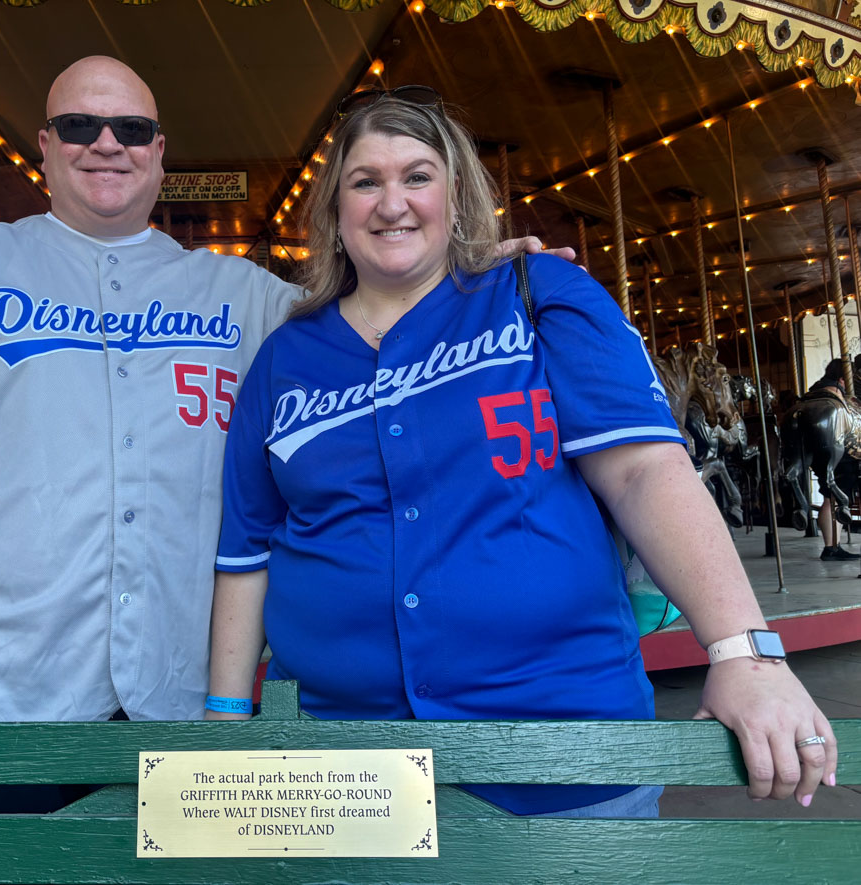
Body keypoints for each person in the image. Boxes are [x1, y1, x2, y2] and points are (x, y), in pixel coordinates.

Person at [0, 58, 559, 811]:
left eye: (133, 127)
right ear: (45, 147)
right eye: (82, 124)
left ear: (160, 152)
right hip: (2, 699)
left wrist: (479, 277)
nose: (109, 143)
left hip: (187, 702)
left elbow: (385, 324)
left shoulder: (244, 297)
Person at [207, 86, 836, 815]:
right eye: (365, 181)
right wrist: (225, 721)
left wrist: (743, 654)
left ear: (455, 193)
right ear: (335, 211)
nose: (392, 202)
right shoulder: (285, 359)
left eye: (417, 176)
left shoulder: (537, 296)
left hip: (560, 752)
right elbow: (248, 550)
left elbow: (643, 471)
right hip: (348, 771)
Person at [802, 358, 860, 560]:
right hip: (841, 452)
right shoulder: (836, 397)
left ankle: (830, 545)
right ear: (843, 379)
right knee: (837, 494)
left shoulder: (814, 393)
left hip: (817, 451)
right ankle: (832, 546)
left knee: (829, 495)